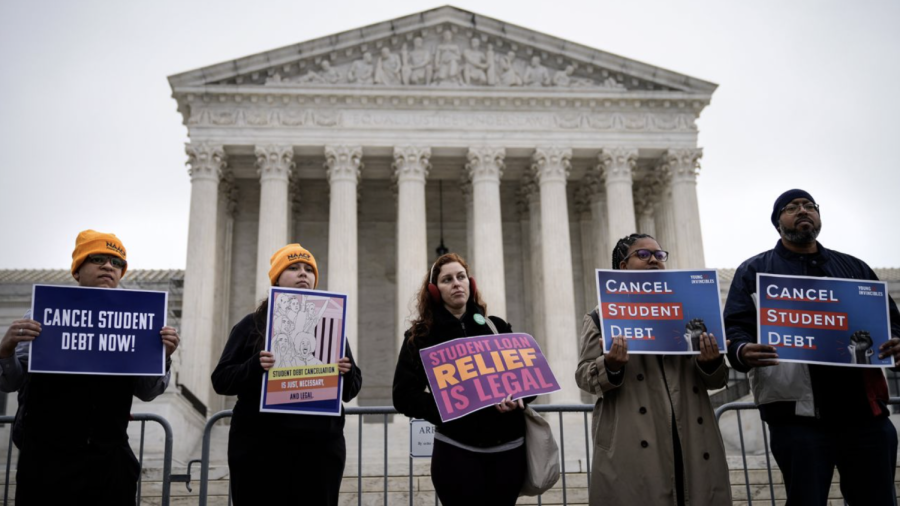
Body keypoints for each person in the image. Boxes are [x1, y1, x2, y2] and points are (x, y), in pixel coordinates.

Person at [725, 189, 900, 505]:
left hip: (865, 415)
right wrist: (741, 351)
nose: (803, 210)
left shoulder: (854, 268)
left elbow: (891, 323)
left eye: (809, 206)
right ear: (778, 222)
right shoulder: (754, 272)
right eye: (792, 207)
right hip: (797, 419)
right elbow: (735, 328)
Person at [0, 229, 180, 505]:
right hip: (48, 461)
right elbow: (10, 382)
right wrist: (6, 350)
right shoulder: (41, 314)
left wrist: (163, 358)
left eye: (117, 262)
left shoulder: (138, 321)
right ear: (77, 270)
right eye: (98, 258)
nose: (109, 266)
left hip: (110, 462)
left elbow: (147, 391)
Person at [575, 233, 732, 506]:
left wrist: (711, 362)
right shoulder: (601, 316)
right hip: (633, 434)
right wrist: (610, 365)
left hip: (690, 433)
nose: (654, 261)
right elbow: (584, 376)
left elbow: (715, 379)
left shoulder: (692, 310)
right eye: (643, 255)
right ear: (622, 267)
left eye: (659, 256)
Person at [211, 243, 362, 505]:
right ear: (277, 277)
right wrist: (255, 366)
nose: (303, 273)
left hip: (319, 450)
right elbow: (221, 379)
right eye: (293, 268)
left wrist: (347, 372)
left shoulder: (330, 325)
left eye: (308, 269)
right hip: (261, 449)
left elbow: (351, 390)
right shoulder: (251, 325)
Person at [392, 253, 530, 505]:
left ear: (471, 283)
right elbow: (403, 396)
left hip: (507, 452)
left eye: (461, 277)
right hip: (456, 452)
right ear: (435, 291)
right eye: (447, 279)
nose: (456, 283)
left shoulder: (497, 328)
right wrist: (448, 408)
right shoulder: (420, 337)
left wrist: (518, 398)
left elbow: (528, 382)